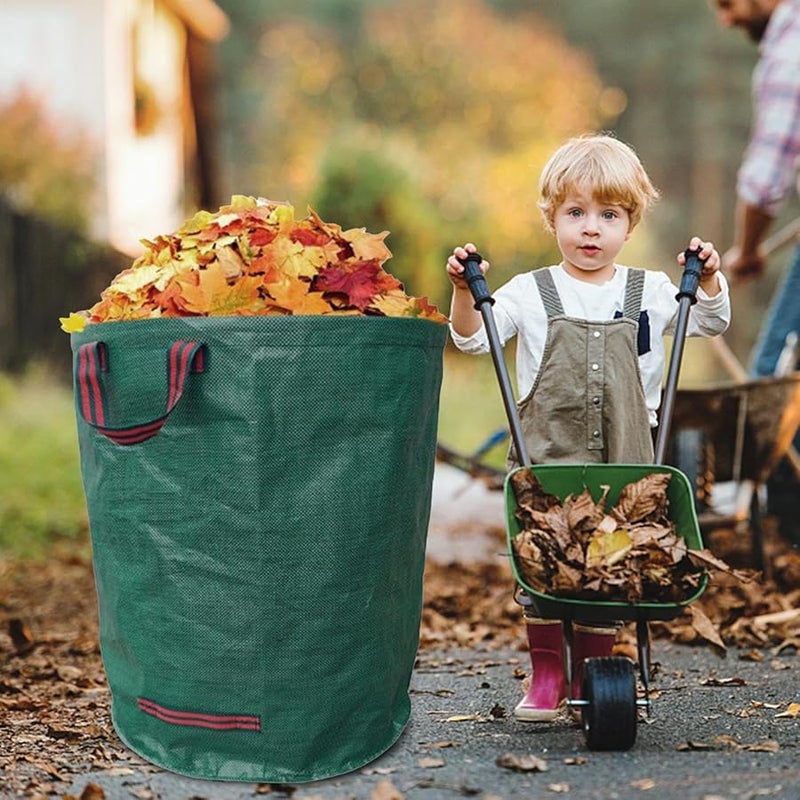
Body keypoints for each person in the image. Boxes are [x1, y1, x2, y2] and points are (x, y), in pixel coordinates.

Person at [445, 133, 731, 722]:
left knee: (609, 563)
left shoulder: (651, 291)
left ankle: (597, 667)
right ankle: (549, 673)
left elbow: (712, 319)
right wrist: (462, 293)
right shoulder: (529, 292)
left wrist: (706, 279)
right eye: (575, 213)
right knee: (542, 560)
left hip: (626, 463)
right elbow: (472, 340)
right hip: (546, 455)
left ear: (631, 223)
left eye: (609, 214)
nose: (591, 229)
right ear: (552, 219)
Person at [709, 0, 800, 543]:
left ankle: (790, 530)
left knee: (771, 380)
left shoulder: (791, 48)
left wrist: (745, 249)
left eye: (727, 3)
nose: (726, 18)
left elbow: (766, 176)